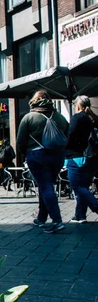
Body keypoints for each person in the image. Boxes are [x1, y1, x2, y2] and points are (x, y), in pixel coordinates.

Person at [16, 90, 69, 233]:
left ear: (34, 101)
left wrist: (25, 154)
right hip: (57, 156)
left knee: (45, 186)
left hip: (37, 156)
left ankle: (57, 220)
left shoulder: (29, 117)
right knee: (46, 186)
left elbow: (20, 142)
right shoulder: (60, 117)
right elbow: (67, 136)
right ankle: (41, 218)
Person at [65, 95, 98, 223]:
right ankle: (80, 215)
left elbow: (70, 134)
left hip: (74, 156)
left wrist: (64, 146)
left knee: (76, 186)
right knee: (83, 186)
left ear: (78, 106)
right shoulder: (90, 119)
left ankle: (95, 206)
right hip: (87, 157)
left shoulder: (77, 118)